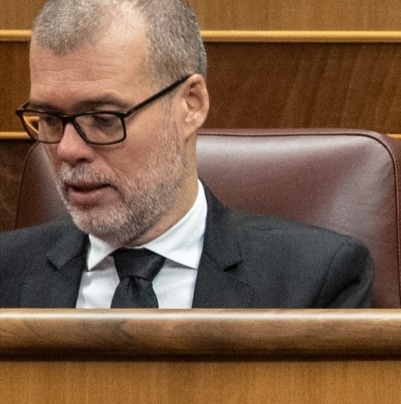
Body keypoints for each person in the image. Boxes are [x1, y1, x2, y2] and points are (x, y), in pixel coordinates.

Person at [0, 0, 372, 308]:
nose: (67, 149)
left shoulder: (315, 280)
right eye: (49, 119)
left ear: (190, 106)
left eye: (103, 119)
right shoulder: (6, 276)